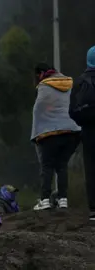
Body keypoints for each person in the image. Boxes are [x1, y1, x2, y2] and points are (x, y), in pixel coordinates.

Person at [31, 63, 81, 211]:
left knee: (47, 166)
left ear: (41, 74)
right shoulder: (70, 83)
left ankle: (45, 199)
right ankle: (63, 199)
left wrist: (36, 133)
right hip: (72, 131)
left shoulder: (43, 87)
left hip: (49, 133)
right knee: (61, 165)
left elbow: (38, 110)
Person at [69, 46, 95, 220]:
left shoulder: (79, 82)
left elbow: (72, 111)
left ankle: (94, 208)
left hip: (89, 131)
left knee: (91, 168)